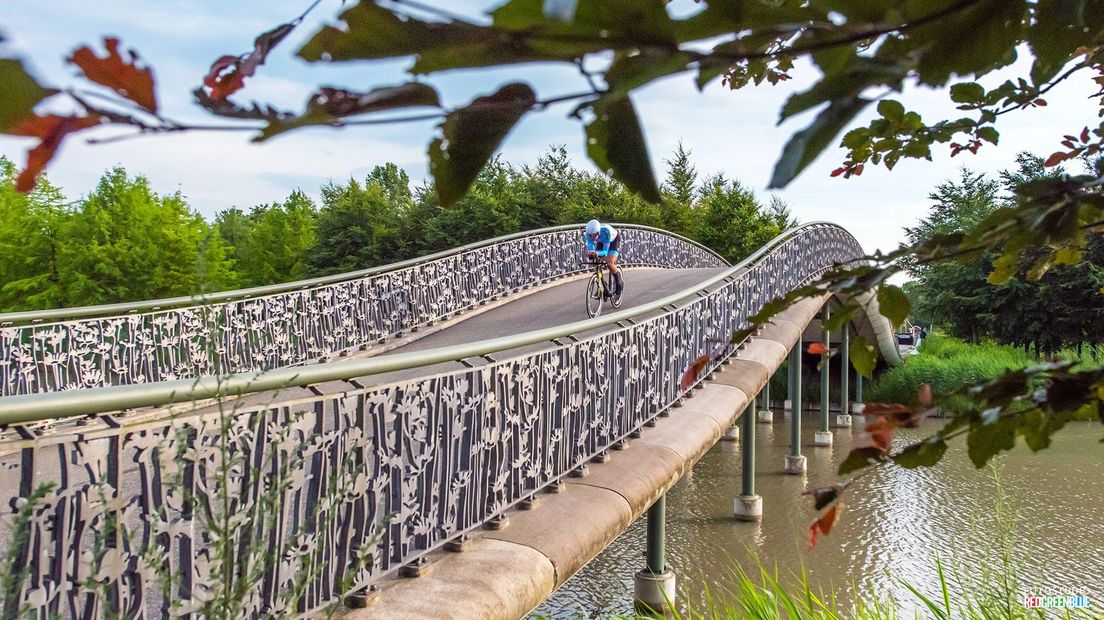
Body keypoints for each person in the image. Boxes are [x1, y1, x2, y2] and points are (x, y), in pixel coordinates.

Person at [584, 219, 622, 296]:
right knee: (596, 261)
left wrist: (597, 253)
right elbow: (591, 245)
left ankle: (619, 281)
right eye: (590, 235)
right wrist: (591, 253)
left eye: (594, 235)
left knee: (609, 263)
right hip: (601, 241)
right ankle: (601, 286)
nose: (592, 237)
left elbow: (605, 252)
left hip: (613, 241)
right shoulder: (587, 234)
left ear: (598, 232)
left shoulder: (606, 231)